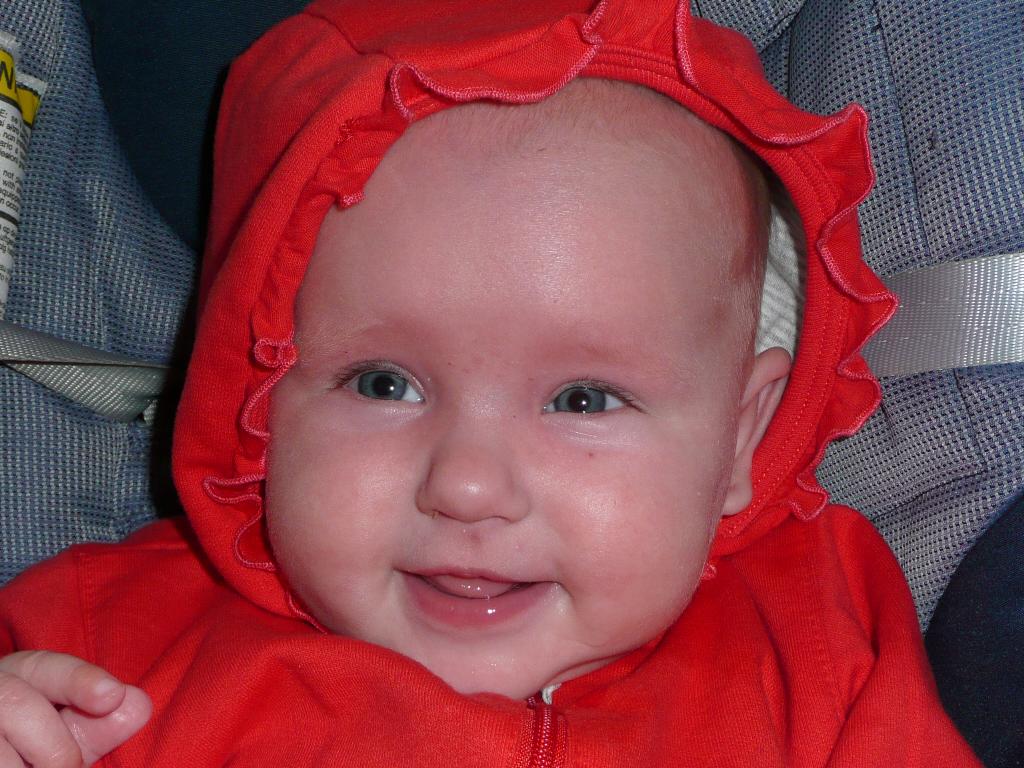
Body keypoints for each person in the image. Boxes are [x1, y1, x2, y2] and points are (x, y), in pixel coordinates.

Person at [0, 0, 981, 765]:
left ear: (737, 437)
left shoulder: (813, 642)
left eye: (583, 399)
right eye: (382, 384)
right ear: (255, 395)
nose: (467, 486)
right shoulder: (103, 652)